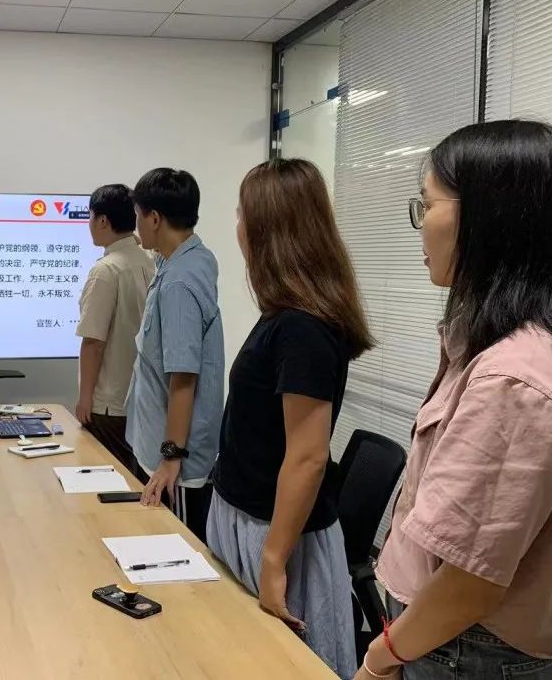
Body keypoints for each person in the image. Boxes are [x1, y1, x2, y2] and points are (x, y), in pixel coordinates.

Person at [357, 121, 552, 680]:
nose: (420, 225)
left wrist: (380, 657)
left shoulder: (515, 379)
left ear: (488, 218)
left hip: (463, 650)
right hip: (449, 638)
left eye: (428, 206)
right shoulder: (515, 346)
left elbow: (469, 581)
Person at [208, 158, 373, 679]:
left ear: (268, 228)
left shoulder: (303, 328)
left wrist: (274, 559)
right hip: (245, 515)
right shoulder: (284, 315)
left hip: (277, 533)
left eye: (242, 214)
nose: (238, 225)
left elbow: (307, 456)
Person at [126, 168, 223, 541]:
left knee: (172, 550)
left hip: (172, 466)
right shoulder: (181, 260)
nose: (136, 224)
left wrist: (170, 458)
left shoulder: (180, 282)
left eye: (138, 215)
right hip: (159, 446)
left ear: (154, 218)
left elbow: (184, 377)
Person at [75, 184, 156, 477]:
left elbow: (93, 342)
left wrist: (86, 398)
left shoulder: (106, 270)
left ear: (102, 221)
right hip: (141, 400)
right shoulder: (150, 262)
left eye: (90, 216)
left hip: (108, 405)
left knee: (107, 482)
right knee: (135, 480)